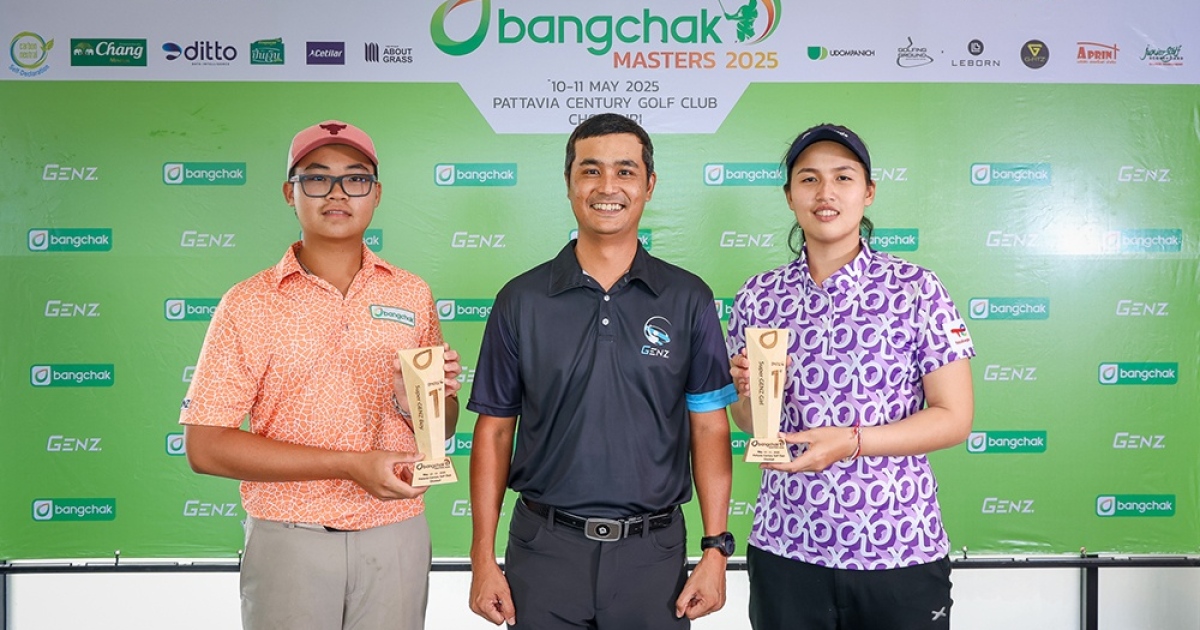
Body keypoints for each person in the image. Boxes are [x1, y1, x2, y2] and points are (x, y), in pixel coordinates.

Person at [179, 120, 461, 630]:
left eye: (355, 178)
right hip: (289, 538)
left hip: (395, 533)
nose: (337, 192)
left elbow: (439, 432)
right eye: (316, 178)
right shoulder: (248, 303)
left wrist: (416, 403)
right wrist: (349, 465)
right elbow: (205, 447)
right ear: (290, 193)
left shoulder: (411, 293)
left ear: (376, 194)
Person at [467, 113, 739, 629]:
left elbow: (708, 427)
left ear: (649, 185)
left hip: (653, 556)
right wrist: (482, 557)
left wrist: (715, 550)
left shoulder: (688, 298)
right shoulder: (520, 299)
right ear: (569, 182)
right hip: (543, 551)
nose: (607, 186)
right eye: (590, 170)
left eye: (625, 171)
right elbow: (495, 432)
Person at [726, 123, 975, 630]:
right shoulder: (759, 295)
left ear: (869, 192)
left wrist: (852, 442)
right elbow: (750, 423)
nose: (826, 192)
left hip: (898, 545)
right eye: (809, 179)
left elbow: (954, 418)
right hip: (787, 543)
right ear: (790, 196)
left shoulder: (916, 289)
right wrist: (750, 394)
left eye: (843, 177)